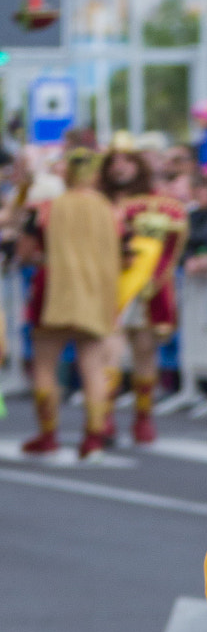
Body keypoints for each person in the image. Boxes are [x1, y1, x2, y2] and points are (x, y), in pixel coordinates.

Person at [18, 148, 122, 457]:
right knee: (92, 365)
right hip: (93, 293)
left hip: (52, 291)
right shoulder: (109, 209)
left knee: (45, 364)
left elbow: (26, 252)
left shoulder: (48, 207)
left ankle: (48, 435)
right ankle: (92, 437)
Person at [99, 134, 187, 445]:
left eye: (126, 161)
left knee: (145, 350)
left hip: (150, 286)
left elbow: (167, 247)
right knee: (110, 351)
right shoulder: (98, 200)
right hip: (109, 285)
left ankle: (143, 418)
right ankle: (104, 418)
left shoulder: (159, 204)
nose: (120, 168)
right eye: (114, 162)